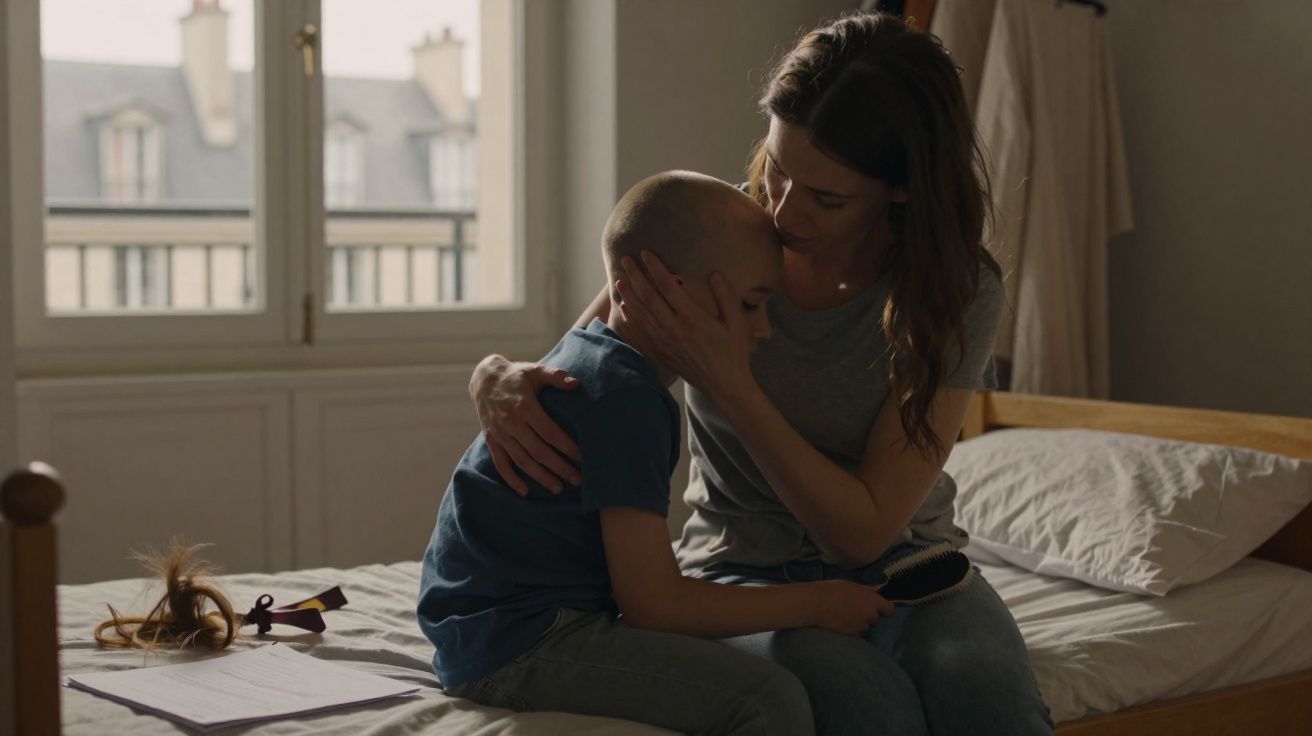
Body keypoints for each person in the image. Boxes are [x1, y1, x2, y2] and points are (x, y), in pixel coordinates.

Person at [466, 12, 1055, 736]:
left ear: (902, 189)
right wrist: (492, 374)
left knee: (989, 700)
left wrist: (731, 384)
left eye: (826, 197)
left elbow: (864, 535)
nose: (781, 210)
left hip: (911, 568)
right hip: (738, 570)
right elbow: (588, 361)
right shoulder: (722, 238)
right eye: (777, 169)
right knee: (868, 705)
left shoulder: (953, 289)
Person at [418, 171, 893, 735]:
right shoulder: (625, 397)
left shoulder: (590, 354)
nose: (765, 329)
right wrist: (817, 602)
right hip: (519, 643)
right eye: (749, 304)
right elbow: (655, 605)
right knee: (769, 699)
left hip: (480, 630)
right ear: (663, 290)